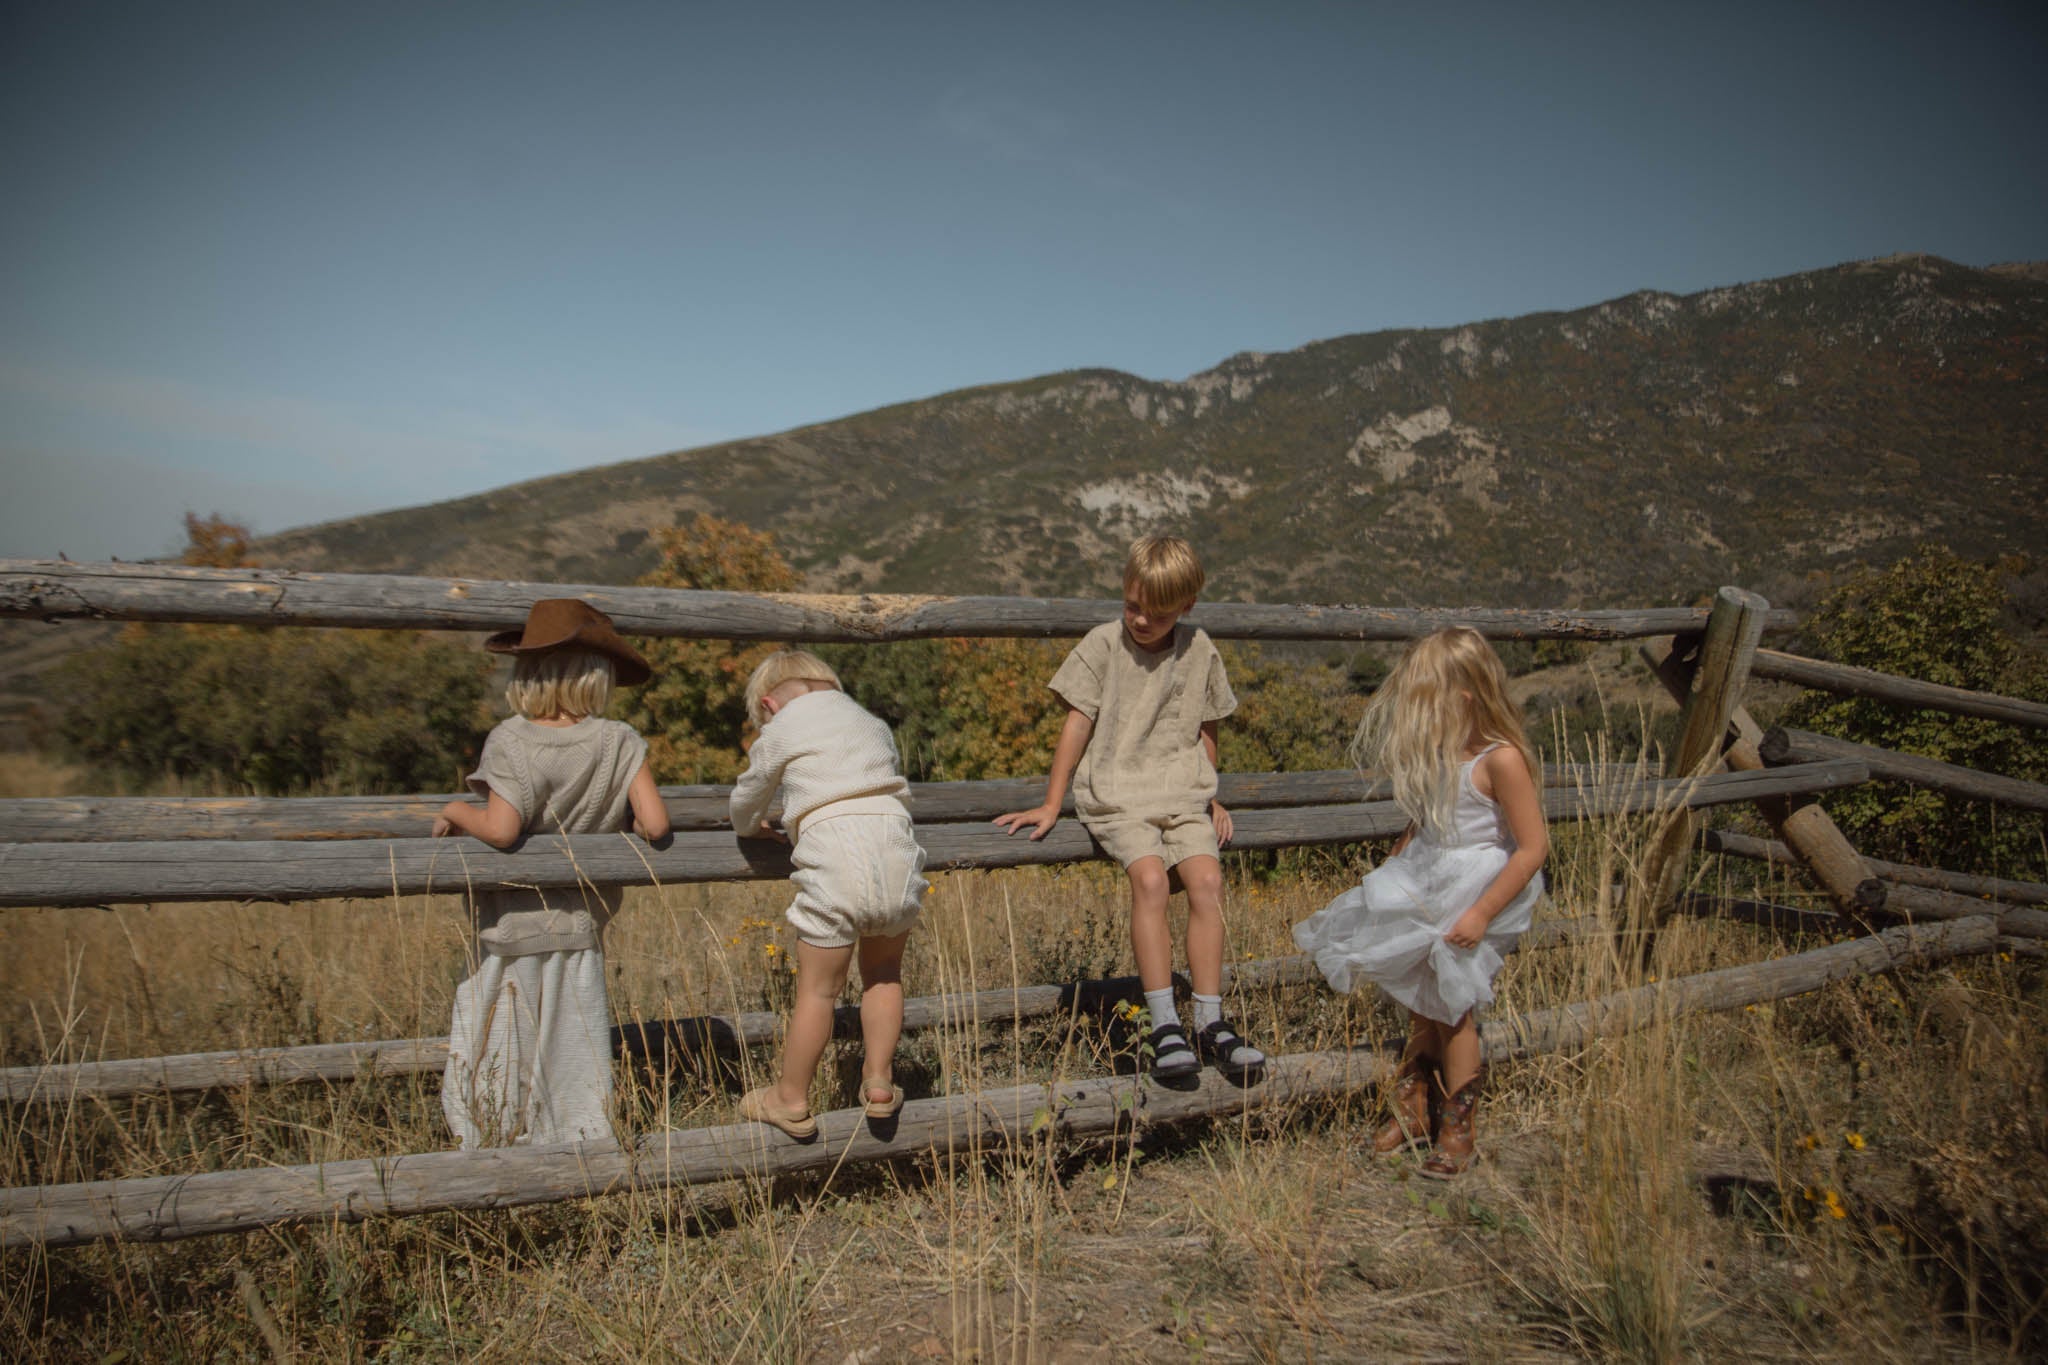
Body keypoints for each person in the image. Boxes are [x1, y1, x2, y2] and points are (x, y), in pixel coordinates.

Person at [995, 535, 1265, 1078]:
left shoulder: (1200, 648)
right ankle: (1165, 1023)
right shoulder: (1102, 645)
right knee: (1150, 880)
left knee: (1208, 882)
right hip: (1118, 793)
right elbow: (1078, 723)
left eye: (1157, 613)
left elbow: (1206, 726)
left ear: (1186, 607)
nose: (1141, 620)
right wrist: (1053, 803)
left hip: (1182, 791)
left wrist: (1210, 795)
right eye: (1132, 605)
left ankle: (1211, 1022)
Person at [1293, 627, 1547, 1177]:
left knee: (1453, 1011)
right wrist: (1394, 863)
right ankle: (1414, 1108)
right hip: (1430, 876)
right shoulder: (1443, 754)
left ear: (1464, 696)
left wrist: (1481, 913)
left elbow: (1531, 849)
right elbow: (1426, 819)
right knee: (1420, 1002)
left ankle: (1459, 1127)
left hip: (1475, 890)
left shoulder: (1501, 761)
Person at [432, 599, 671, 1149]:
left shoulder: (512, 740)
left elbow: (501, 829)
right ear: (598, 678)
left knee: (495, 1048)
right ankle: (580, 1146)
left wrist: (453, 812)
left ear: (529, 674)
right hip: (581, 928)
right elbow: (656, 824)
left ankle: (494, 1147)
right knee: (574, 1052)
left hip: (509, 930)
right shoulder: (620, 741)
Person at [729, 650, 928, 1138]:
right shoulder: (871, 722)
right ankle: (879, 1081)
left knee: (819, 990)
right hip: (897, 847)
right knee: (883, 974)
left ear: (770, 703)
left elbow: (746, 801)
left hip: (834, 851)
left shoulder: (780, 729)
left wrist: (752, 825)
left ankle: (790, 1097)